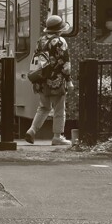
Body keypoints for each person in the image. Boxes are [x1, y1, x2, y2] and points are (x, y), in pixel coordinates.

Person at [25, 14, 72, 145]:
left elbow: (36, 61)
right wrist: (68, 80)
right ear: (60, 29)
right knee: (59, 109)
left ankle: (32, 130)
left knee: (43, 107)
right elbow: (65, 63)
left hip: (41, 80)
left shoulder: (41, 41)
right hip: (57, 80)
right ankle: (57, 136)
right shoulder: (61, 42)